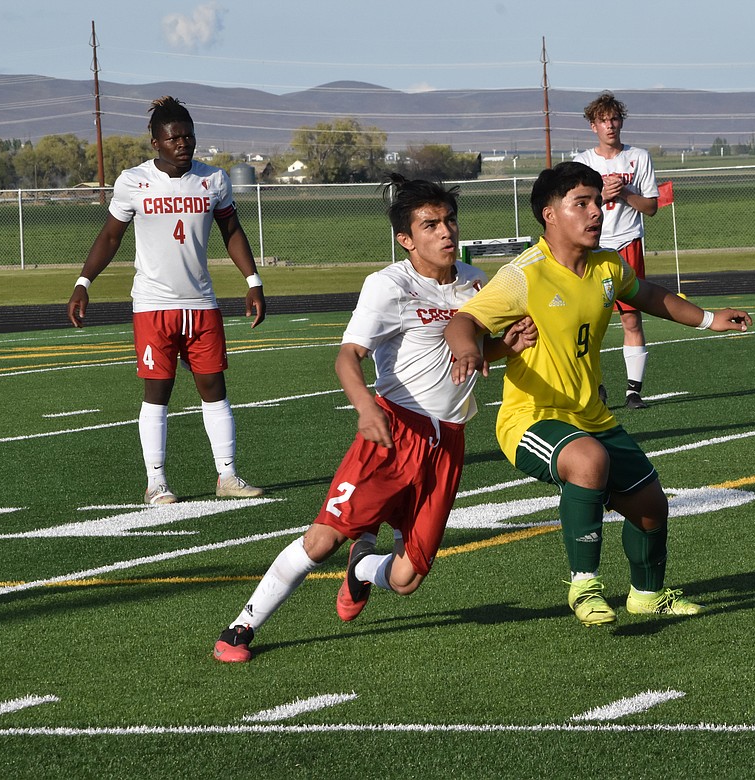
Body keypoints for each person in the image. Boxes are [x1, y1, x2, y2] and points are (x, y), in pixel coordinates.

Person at [213, 175, 536, 663]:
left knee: (406, 580)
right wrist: (366, 408)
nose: (445, 232)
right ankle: (240, 627)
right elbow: (348, 356)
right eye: (430, 225)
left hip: (448, 443)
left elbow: (475, 348)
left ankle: (362, 568)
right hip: (394, 431)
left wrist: (504, 347)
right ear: (406, 239)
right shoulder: (389, 285)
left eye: (449, 221)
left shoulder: (474, 281)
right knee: (322, 540)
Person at [444, 161, 751, 627]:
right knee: (587, 461)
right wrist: (468, 349)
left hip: (592, 415)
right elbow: (463, 321)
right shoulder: (523, 275)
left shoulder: (607, 265)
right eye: (580, 204)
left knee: (651, 506)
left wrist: (708, 319)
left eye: (597, 202)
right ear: (549, 214)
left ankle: (648, 595)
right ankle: (583, 585)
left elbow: (646, 294)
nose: (596, 213)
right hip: (531, 419)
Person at [67, 96, 265, 505]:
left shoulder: (213, 180)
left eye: (189, 136)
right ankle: (156, 482)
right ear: (155, 141)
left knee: (214, 387)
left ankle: (227, 476)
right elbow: (110, 237)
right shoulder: (132, 181)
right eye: (174, 137)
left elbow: (232, 231)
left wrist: (253, 280)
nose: (183, 143)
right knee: (158, 390)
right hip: (154, 305)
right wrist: (84, 282)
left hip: (202, 303)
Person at [573, 91, 659, 409]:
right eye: (603, 120)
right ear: (592, 126)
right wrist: (598, 193)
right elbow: (575, 205)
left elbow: (650, 207)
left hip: (627, 242)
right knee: (587, 320)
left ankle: (633, 391)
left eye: (614, 119)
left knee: (631, 319)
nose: (610, 125)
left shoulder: (639, 158)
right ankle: (595, 386)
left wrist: (623, 193)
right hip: (592, 246)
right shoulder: (583, 162)